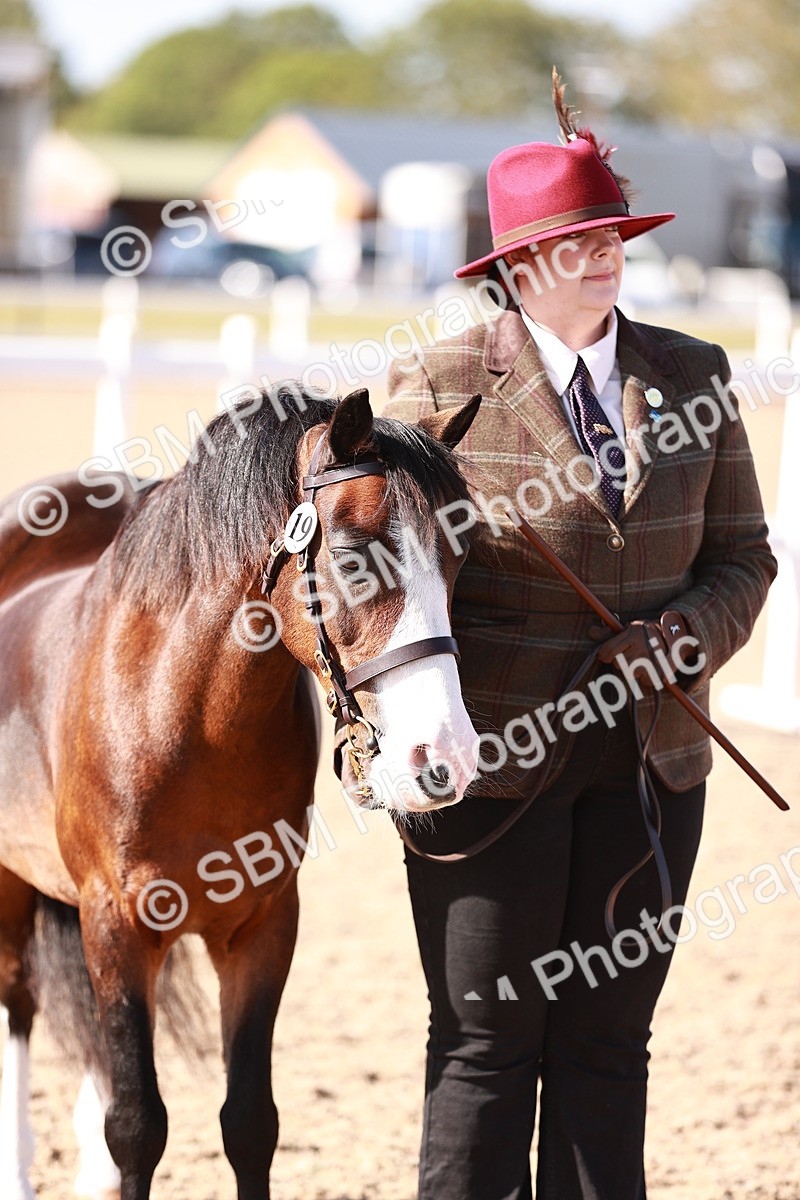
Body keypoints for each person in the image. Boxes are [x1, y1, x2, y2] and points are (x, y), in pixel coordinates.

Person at [380, 73, 777, 1200]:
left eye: (611, 234)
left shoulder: (693, 375)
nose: (604, 253)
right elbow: (382, 577)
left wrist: (681, 640)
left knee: (607, 1047)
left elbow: (744, 556)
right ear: (514, 264)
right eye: (575, 240)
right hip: (490, 764)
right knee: (483, 1046)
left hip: (650, 761)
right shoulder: (440, 388)